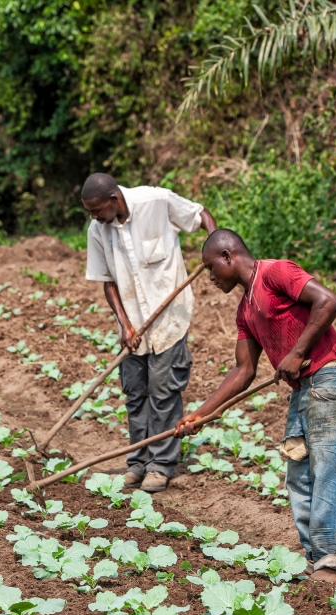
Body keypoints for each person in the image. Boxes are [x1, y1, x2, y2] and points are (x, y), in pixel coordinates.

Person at [174, 229, 336, 583]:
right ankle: (320, 555)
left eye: (212, 269)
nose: (210, 278)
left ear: (228, 256)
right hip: (304, 388)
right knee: (300, 475)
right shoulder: (245, 311)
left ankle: (335, 558)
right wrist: (200, 414)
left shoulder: (276, 272)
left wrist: (298, 352)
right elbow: (243, 371)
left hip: (331, 376)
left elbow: (329, 300)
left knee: (328, 467)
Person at [82, 172, 217, 492]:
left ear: (114, 199)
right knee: (135, 394)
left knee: (163, 392)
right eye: (90, 212)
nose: (94, 217)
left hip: (170, 320)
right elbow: (108, 282)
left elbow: (201, 215)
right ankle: (137, 461)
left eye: (97, 210)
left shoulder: (155, 201)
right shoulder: (97, 230)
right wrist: (125, 325)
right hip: (132, 328)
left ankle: (161, 464)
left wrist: (215, 246)